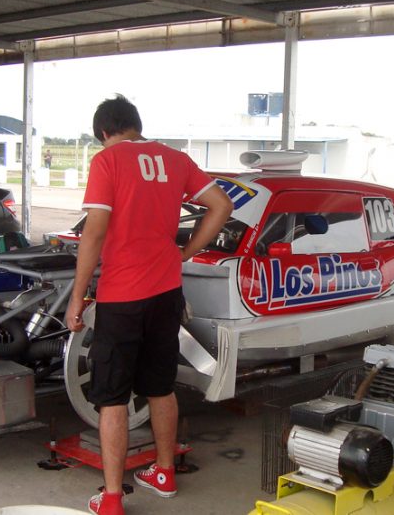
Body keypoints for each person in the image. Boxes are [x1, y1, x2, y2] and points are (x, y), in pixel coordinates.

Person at [65, 95, 233, 515]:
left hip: (123, 297)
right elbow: (222, 206)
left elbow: (95, 232)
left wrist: (77, 296)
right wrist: (187, 252)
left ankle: (112, 500)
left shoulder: (108, 162)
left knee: (113, 397)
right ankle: (163, 472)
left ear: (104, 132)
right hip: (166, 292)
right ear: (136, 124)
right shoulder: (175, 159)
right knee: (160, 385)